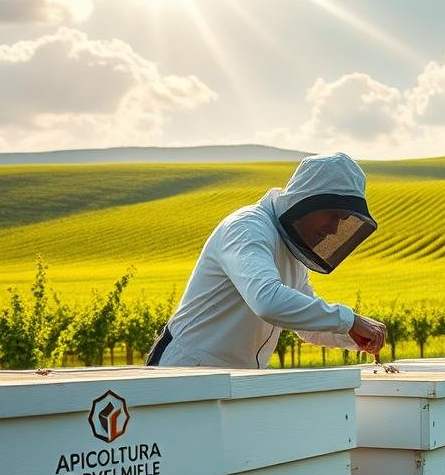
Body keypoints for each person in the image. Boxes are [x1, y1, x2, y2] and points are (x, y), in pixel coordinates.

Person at [147, 152, 387, 368]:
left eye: (342, 219)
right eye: (331, 215)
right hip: (186, 370)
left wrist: (352, 335)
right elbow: (267, 301)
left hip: (238, 378)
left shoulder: (292, 249)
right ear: (306, 201)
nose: (335, 229)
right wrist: (349, 320)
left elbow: (306, 324)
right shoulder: (247, 227)